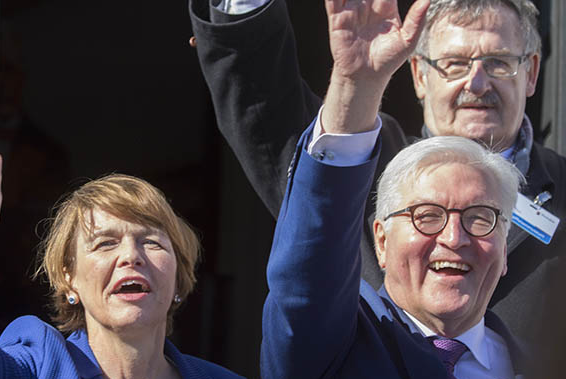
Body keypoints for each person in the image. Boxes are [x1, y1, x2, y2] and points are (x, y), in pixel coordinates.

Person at [189, 0, 566, 347]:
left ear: (531, 73)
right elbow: (267, 111)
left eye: (499, 63)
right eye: (455, 64)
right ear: (419, 75)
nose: (477, 83)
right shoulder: (363, 163)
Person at [261, 3, 534, 379]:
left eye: (479, 218)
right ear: (382, 241)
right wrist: (357, 86)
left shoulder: (539, 371)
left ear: (504, 248)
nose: (454, 238)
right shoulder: (332, 347)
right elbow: (309, 265)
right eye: (427, 216)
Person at [0, 131, 253, 379]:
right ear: (69, 279)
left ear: (178, 276)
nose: (131, 255)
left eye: (152, 242)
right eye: (105, 243)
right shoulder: (38, 366)